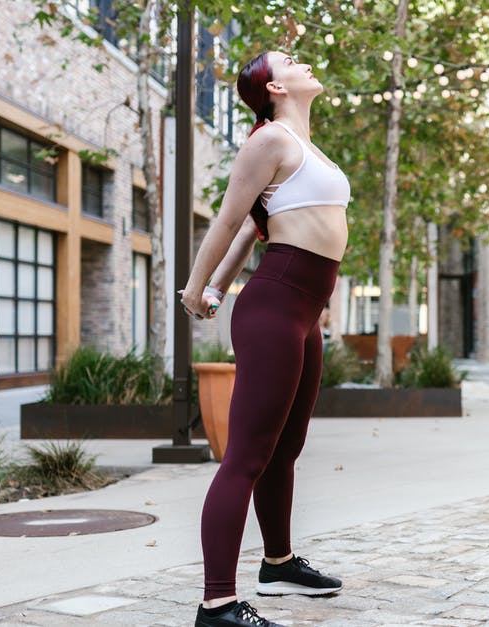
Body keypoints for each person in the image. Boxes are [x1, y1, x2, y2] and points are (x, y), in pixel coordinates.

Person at [180, 50, 351, 627]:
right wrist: (195, 286)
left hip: (305, 313)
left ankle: (277, 564)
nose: (307, 61)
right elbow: (228, 219)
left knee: (287, 448)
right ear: (275, 86)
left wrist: (222, 283)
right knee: (246, 457)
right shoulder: (268, 141)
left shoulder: (305, 146)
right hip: (275, 308)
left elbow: (257, 226)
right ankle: (217, 604)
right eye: (293, 59)